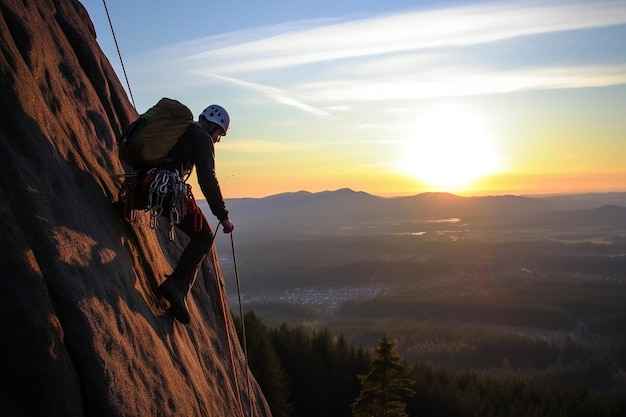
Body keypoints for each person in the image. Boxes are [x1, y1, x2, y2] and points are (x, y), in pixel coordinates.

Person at [145, 104, 235, 324]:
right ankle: (176, 286)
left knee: (200, 234)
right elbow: (207, 179)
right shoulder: (202, 138)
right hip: (164, 188)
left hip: (143, 181)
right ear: (213, 126)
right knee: (204, 237)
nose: (218, 140)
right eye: (219, 134)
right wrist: (223, 216)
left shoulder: (181, 128)